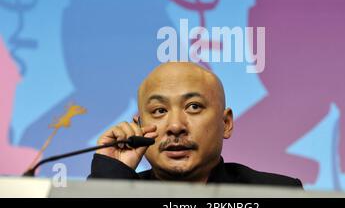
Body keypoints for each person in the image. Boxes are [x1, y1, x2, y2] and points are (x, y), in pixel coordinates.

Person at [88, 62, 302, 187]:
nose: (175, 126)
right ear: (139, 127)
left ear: (226, 123)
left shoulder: (275, 192)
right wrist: (110, 175)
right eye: (160, 111)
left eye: (193, 107)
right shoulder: (120, 190)